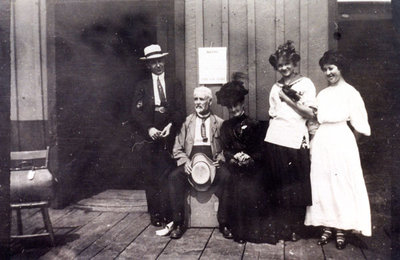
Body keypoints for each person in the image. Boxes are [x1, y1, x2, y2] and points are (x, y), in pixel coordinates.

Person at [304, 50, 371, 250]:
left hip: (342, 141)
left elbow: (360, 125)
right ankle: (327, 227)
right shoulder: (322, 94)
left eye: (331, 68)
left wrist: (349, 144)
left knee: (341, 184)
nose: (328, 73)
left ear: (340, 68)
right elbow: (314, 120)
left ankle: (341, 229)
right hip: (323, 141)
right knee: (323, 184)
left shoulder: (351, 92)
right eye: (325, 69)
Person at [264, 40, 316, 241]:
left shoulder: (306, 84)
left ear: (294, 63)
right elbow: (273, 114)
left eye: (287, 64)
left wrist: (288, 100)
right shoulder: (275, 87)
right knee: (278, 184)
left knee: (294, 186)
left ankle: (295, 228)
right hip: (275, 138)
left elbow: (310, 113)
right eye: (279, 66)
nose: (284, 68)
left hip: (294, 140)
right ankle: (281, 227)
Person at [216, 78, 277, 244]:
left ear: (242, 103)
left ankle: (255, 230)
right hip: (235, 167)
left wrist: (249, 157)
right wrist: (233, 157)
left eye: (236, 105)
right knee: (234, 184)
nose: (234, 109)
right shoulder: (226, 126)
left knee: (254, 185)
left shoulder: (254, 124)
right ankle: (237, 229)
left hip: (252, 166)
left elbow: (260, 150)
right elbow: (226, 148)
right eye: (230, 107)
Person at [168, 86, 232, 239]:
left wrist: (221, 159)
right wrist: (185, 162)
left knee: (227, 177)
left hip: (212, 164)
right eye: (195, 99)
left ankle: (224, 223)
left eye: (202, 99)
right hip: (191, 163)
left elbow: (227, 148)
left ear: (210, 101)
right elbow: (177, 148)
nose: (197, 102)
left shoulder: (220, 123)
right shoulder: (186, 123)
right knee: (174, 177)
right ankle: (178, 223)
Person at [131, 44, 185, 227]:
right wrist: (149, 129)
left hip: (169, 136)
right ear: (148, 65)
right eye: (153, 62)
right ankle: (155, 213)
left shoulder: (174, 82)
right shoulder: (142, 86)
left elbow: (180, 109)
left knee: (169, 174)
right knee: (151, 176)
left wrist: (171, 125)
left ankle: (170, 213)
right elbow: (135, 112)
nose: (158, 65)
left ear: (164, 61)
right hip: (149, 138)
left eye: (160, 61)